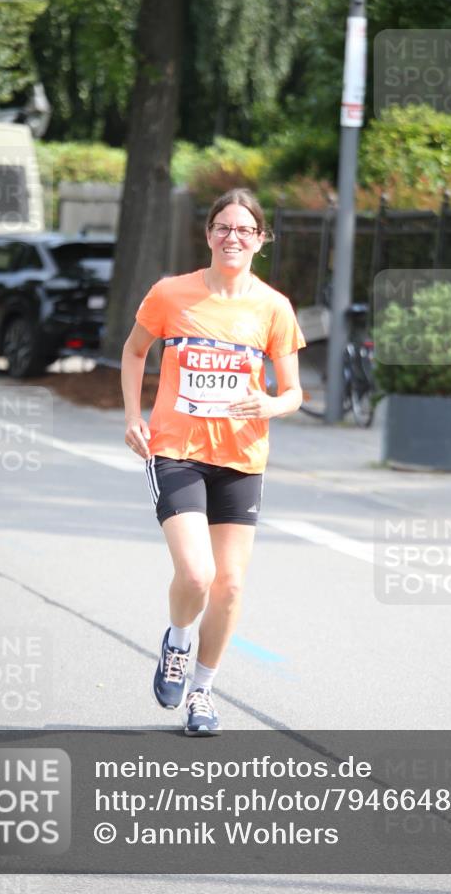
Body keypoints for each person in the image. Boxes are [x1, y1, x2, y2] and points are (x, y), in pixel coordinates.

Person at [121, 188, 305, 735]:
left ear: (260, 240)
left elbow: (293, 391)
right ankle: (177, 642)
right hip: (176, 449)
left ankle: (202, 691)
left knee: (229, 586)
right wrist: (134, 415)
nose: (233, 237)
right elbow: (134, 352)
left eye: (245, 230)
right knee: (197, 574)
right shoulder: (171, 294)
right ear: (208, 235)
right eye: (223, 227)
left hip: (242, 457)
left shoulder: (273, 307)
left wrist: (270, 402)